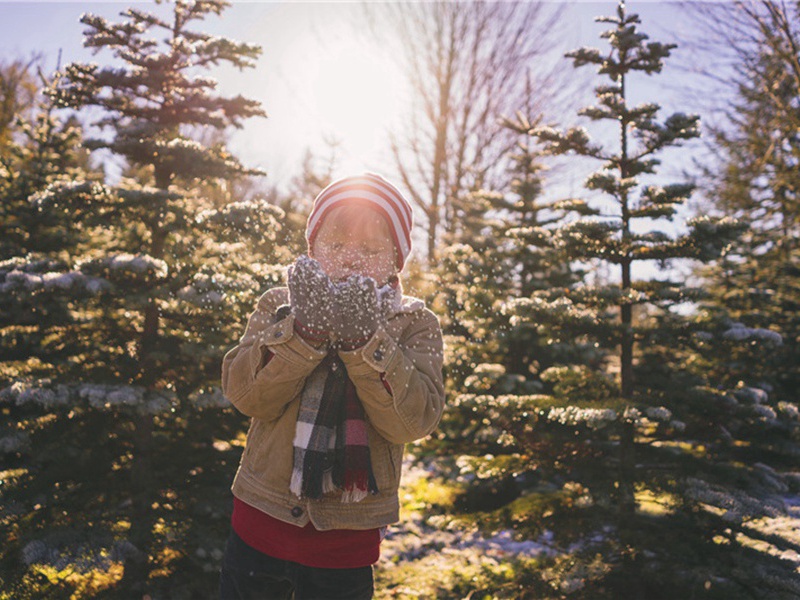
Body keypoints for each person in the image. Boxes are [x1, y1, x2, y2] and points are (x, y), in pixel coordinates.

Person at [219, 173, 445, 600]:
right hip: (259, 524)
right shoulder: (278, 305)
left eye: (371, 249)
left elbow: (412, 421)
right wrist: (302, 334)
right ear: (312, 250)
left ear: (396, 260)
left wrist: (367, 344)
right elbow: (248, 396)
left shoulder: (414, 324)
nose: (351, 260)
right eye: (335, 246)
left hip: (345, 543)